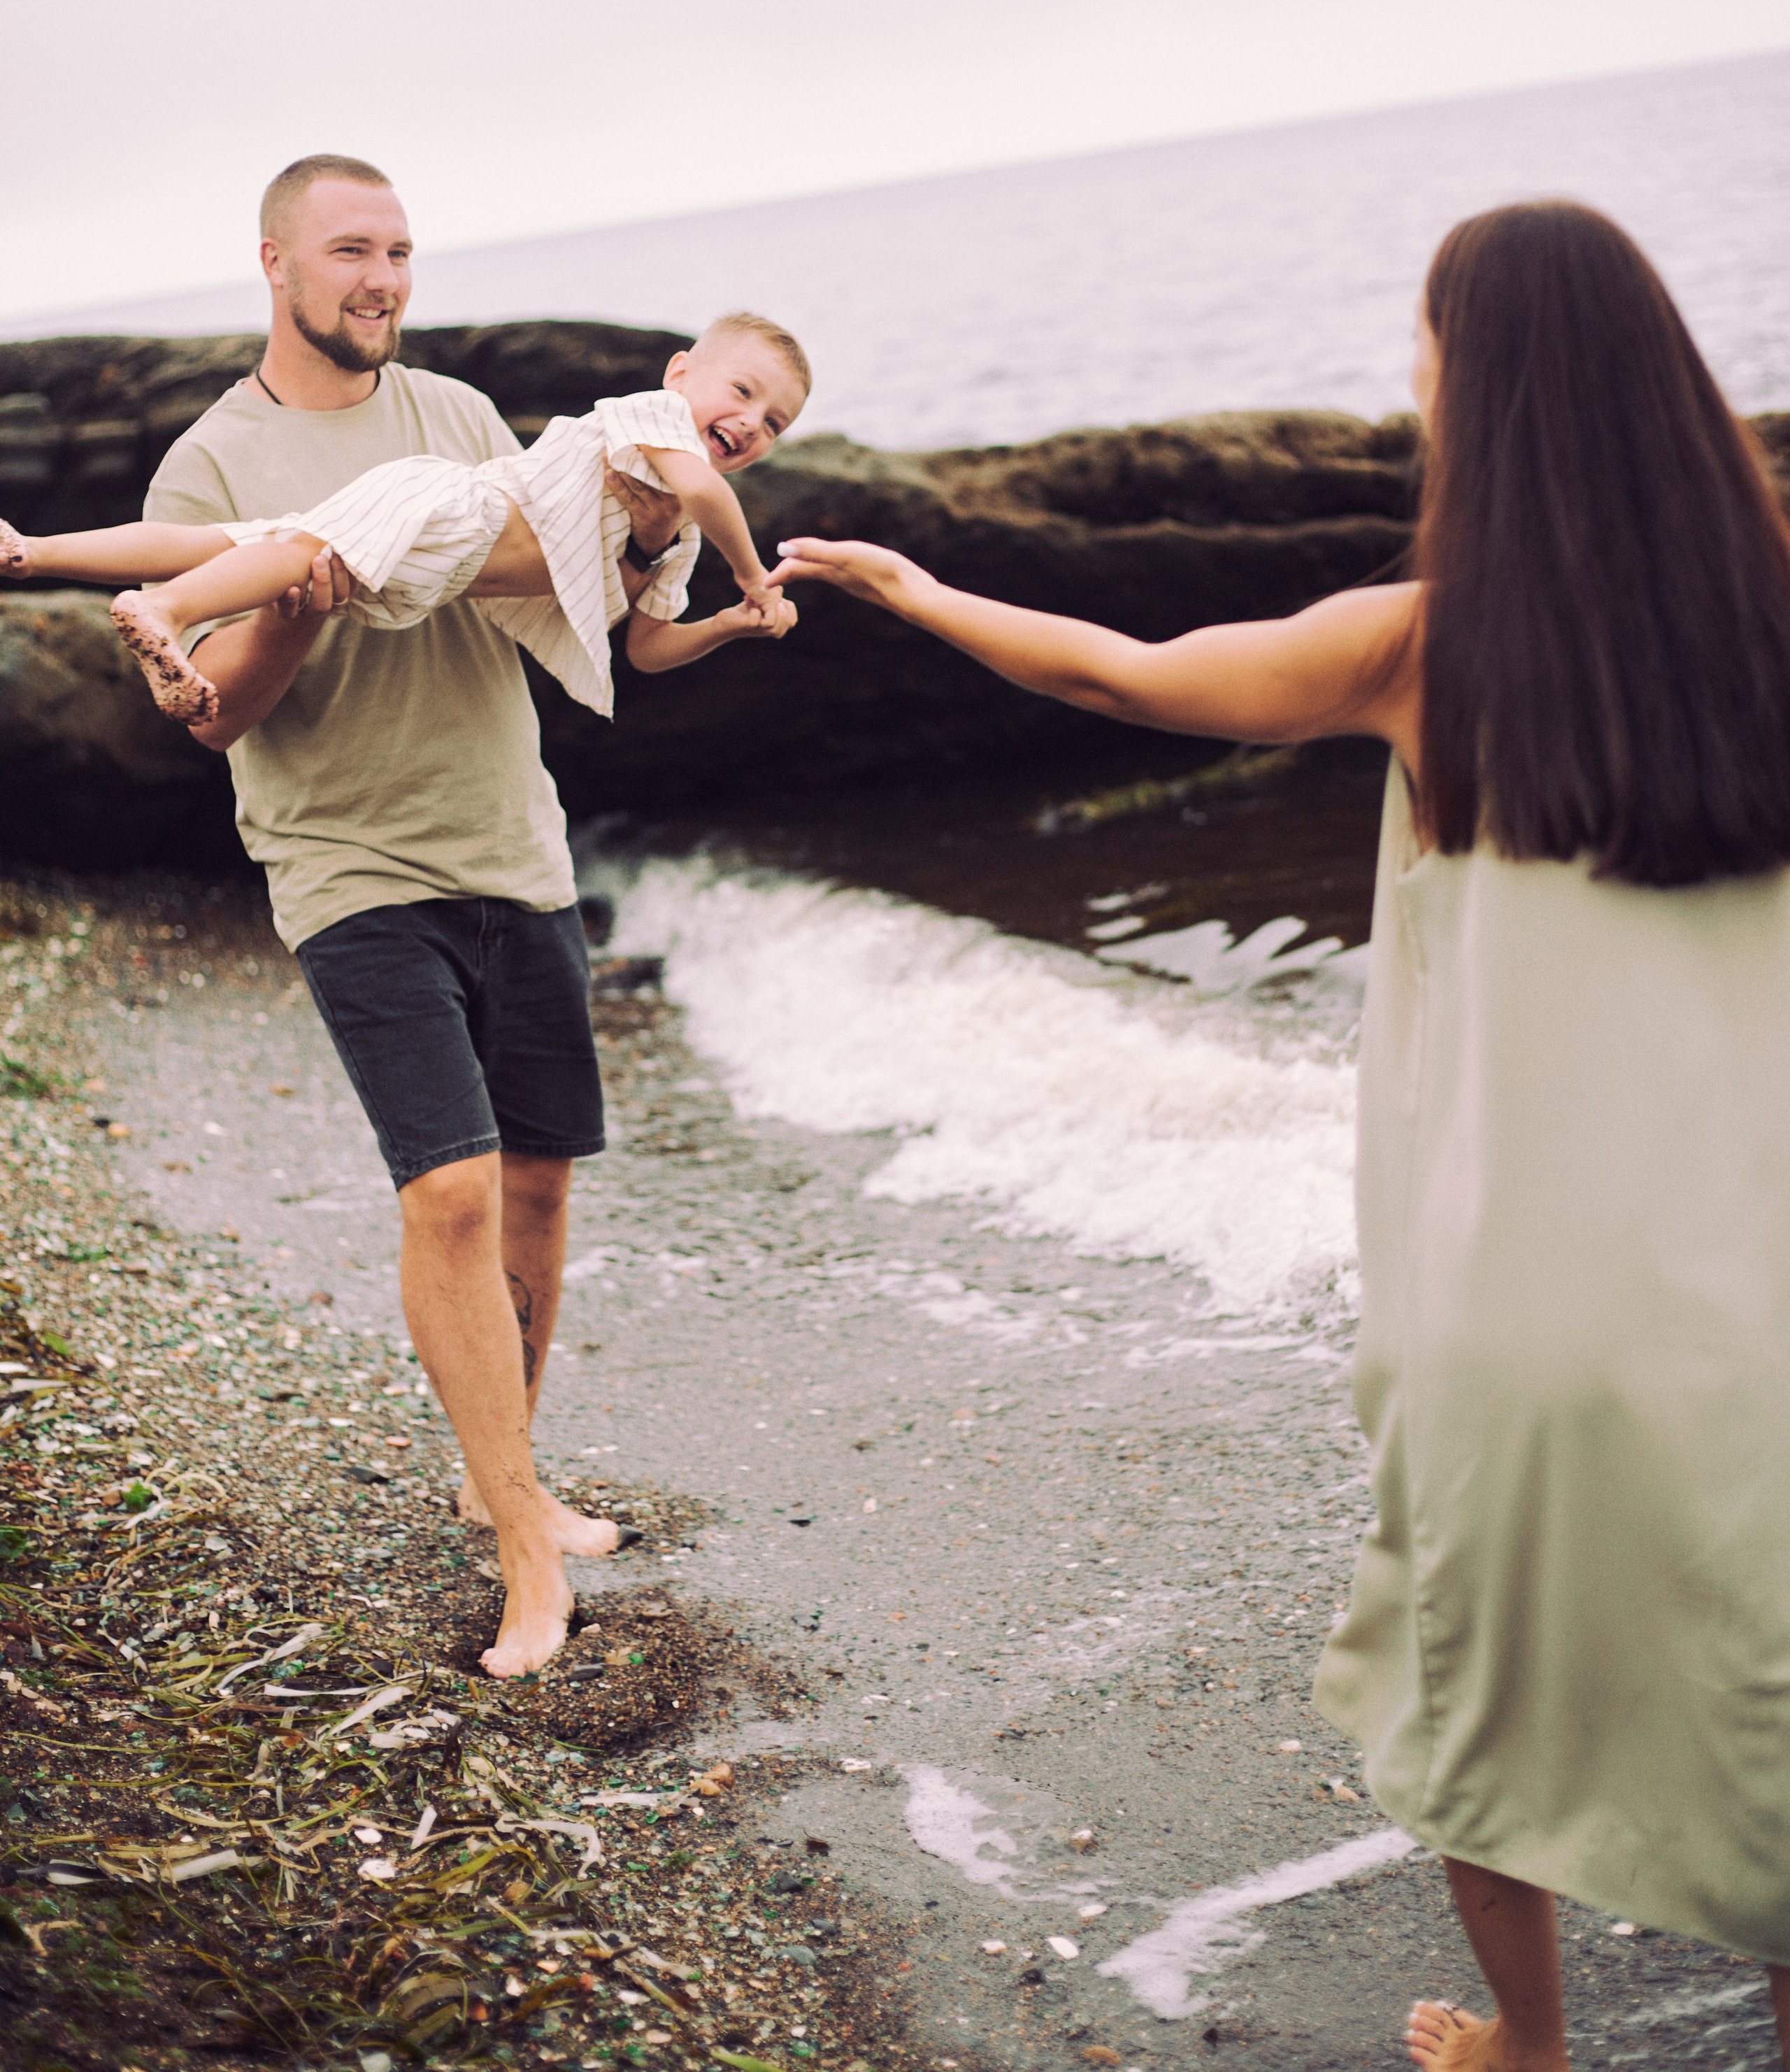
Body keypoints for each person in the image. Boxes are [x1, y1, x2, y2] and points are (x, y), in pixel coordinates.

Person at [771, 200, 1790, 2070]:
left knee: (1470, 1686)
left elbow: (1125, 674)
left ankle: (1534, 2048)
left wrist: (921, 596)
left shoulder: (1417, 647)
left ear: (1469, 390)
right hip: (1760, 1301)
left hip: (1520, 1312)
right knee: (1776, 1707)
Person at [107, 152, 736, 1679]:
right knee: (443, 1195)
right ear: (275, 264)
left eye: (399, 251)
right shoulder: (208, 466)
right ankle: (525, 1543)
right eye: (349, 253)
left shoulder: (454, 420)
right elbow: (223, 724)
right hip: (348, 868)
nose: (381, 279)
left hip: (512, 846)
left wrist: (655, 541)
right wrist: (293, 604)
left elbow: (543, 569)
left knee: (535, 1187)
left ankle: (491, 1466)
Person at [2, 313, 808, 727]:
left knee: (248, 540)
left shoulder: (682, 529)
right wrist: (751, 575)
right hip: (456, 508)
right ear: (680, 372)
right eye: (742, 392)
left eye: (774, 424)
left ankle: (28, 554)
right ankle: (167, 611)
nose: (751, 423)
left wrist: (731, 624)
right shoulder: (655, 424)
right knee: (288, 551)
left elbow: (645, 647)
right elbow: (702, 491)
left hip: (442, 566)